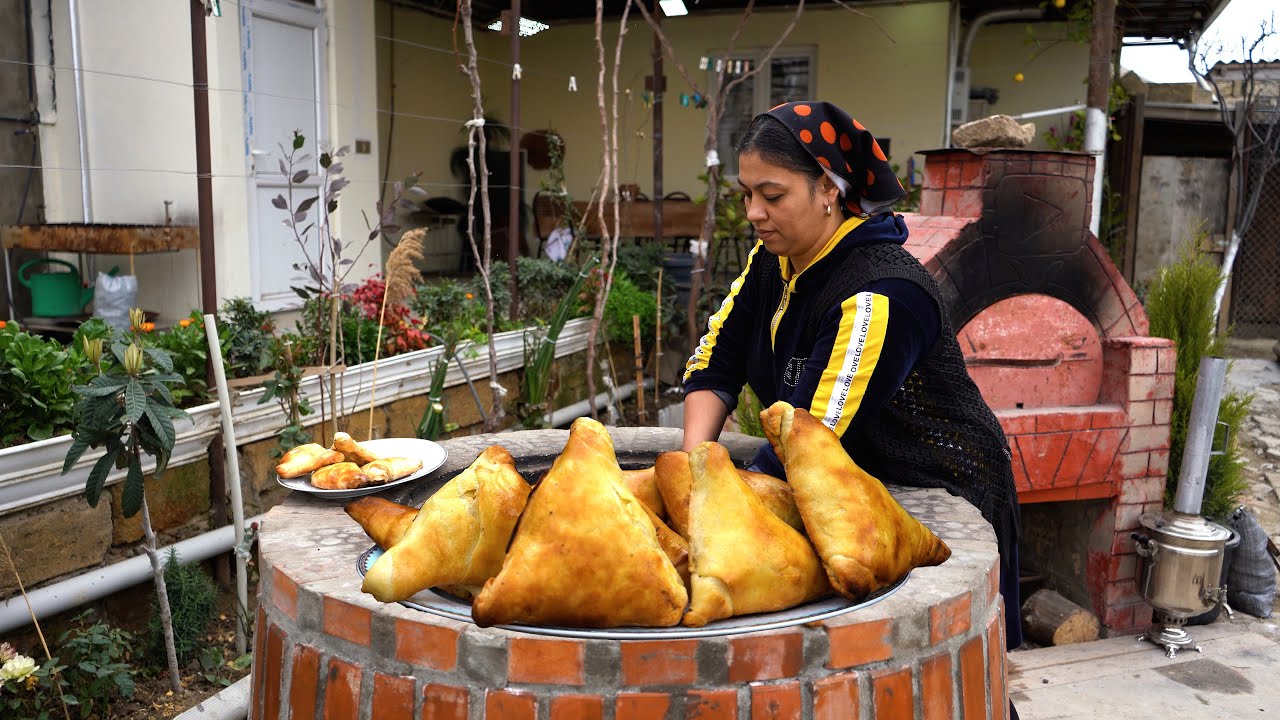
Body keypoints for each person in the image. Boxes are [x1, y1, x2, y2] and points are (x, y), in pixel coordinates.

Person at [681, 101, 1024, 659]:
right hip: (854, 480)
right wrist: (694, 470)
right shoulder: (774, 260)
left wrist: (715, 499)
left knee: (952, 667)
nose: (754, 213)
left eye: (772, 196)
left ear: (827, 189)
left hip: (939, 490)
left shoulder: (879, 294)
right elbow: (716, 359)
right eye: (746, 195)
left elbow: (809, 437)